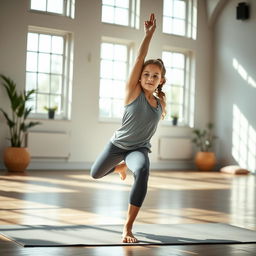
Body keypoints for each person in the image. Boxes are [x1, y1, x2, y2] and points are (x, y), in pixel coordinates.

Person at [90, 13, 166, 243]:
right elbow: (139, 59)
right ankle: (121, 167)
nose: (150, 78)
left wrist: (138, 153)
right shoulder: (132, 93)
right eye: (146, 74)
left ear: (161, 80)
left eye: (155, 75)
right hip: (117, 145)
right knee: (96, 174)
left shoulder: (161, 102)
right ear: (139, 77)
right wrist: (148, 35)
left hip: (138, 150)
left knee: (142, 172)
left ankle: (127, 227)